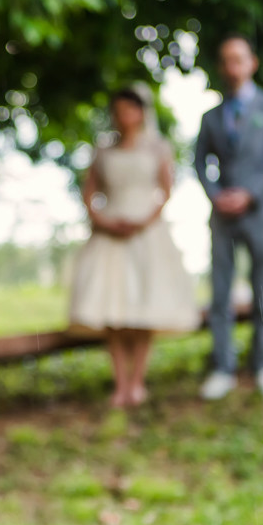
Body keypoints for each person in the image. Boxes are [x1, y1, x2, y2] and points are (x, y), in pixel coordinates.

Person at [70, 87, 200, 408]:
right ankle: (120, 382)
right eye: (118, 109)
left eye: (130, 108)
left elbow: (166, 190)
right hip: (110, 231)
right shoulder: (102, 150)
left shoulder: (158, 148)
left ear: (141, 112)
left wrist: (143, 221)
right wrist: (102, 220)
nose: (123, 115)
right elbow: (89, 192)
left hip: (147, 233)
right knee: (112, 310)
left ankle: (138, 381)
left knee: (144, 309)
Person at [194, 35, 263, 401]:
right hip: (221, 215)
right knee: (220, 292)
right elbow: (200, 162)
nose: (233, 66)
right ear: (222, 67)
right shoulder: (211, 117)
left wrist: (249, 193)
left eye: (239, 59)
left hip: (259, 210)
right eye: (226, 60)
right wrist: (216, 194)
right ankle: (223, 368)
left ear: (251, 63)